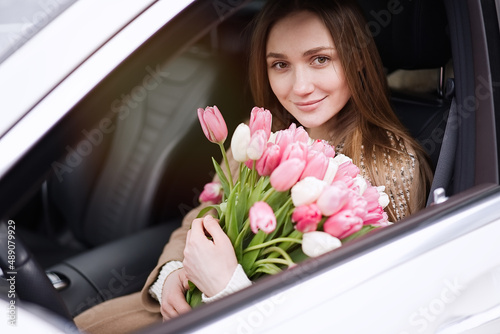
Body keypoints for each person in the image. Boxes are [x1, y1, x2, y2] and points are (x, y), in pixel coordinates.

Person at [74, 0, 433, 332]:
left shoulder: (391, 163)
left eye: (320, 59)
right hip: (182, 309)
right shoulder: (264, 132)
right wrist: (171, 274)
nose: (301, 86)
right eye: (280, 65)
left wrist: (229, 290)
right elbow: (201, 216)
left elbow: (371, 308)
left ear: (356, 60)